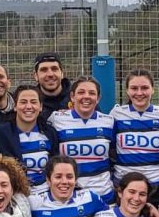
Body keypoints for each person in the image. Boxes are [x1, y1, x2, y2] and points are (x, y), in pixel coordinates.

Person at [50, 75, 116, 203]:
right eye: (81, 92)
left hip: (103, 194)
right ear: (72, 97)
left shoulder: (108, 121)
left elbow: (115, 154)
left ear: (98, 98)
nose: (86, 96)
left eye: (92, 93)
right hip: (71, 196)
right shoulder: (56, 119)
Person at [112, 69, 159, 203]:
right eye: (134, 88)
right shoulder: (116, 114)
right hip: (124, 187)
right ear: (127, 91)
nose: (139, 93)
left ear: (153, 89)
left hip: (157, 187)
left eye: (145, 88)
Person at [0, 85, 55, 198]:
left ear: (40, 107)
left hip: (45, 196)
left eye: (33, 102)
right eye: (23, 102)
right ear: (15, 106)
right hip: (14, 196)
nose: (28, 106)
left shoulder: (50, 133)